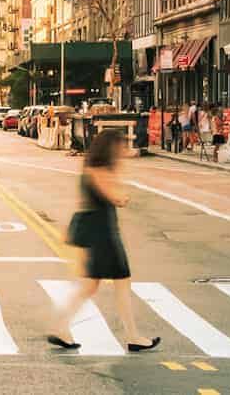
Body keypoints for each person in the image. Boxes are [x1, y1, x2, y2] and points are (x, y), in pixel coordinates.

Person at [46, 130, 157, 353]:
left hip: (96, 229)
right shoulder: (100, 171)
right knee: (121, 281)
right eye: (118, 147)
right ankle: (133, 336)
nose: (121, 151)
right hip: (102, 232)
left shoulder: (92, 169)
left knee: (90, 284)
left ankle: (61, 327)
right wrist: (122, 188)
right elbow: (117, 198)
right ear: (109, 149)